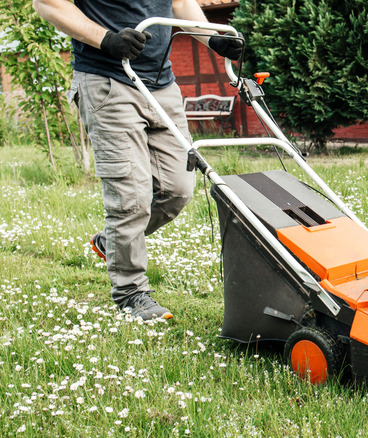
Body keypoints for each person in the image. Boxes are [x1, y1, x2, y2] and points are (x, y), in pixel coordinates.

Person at [33, 0, 242, 321]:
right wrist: (106, 39)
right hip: (107, 81)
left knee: (178, 188)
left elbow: (179, 2)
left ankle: (111, 242)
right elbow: (48, 4)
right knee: (131, 197)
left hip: (161, 83)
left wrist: (213, 37)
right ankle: (131, 294)